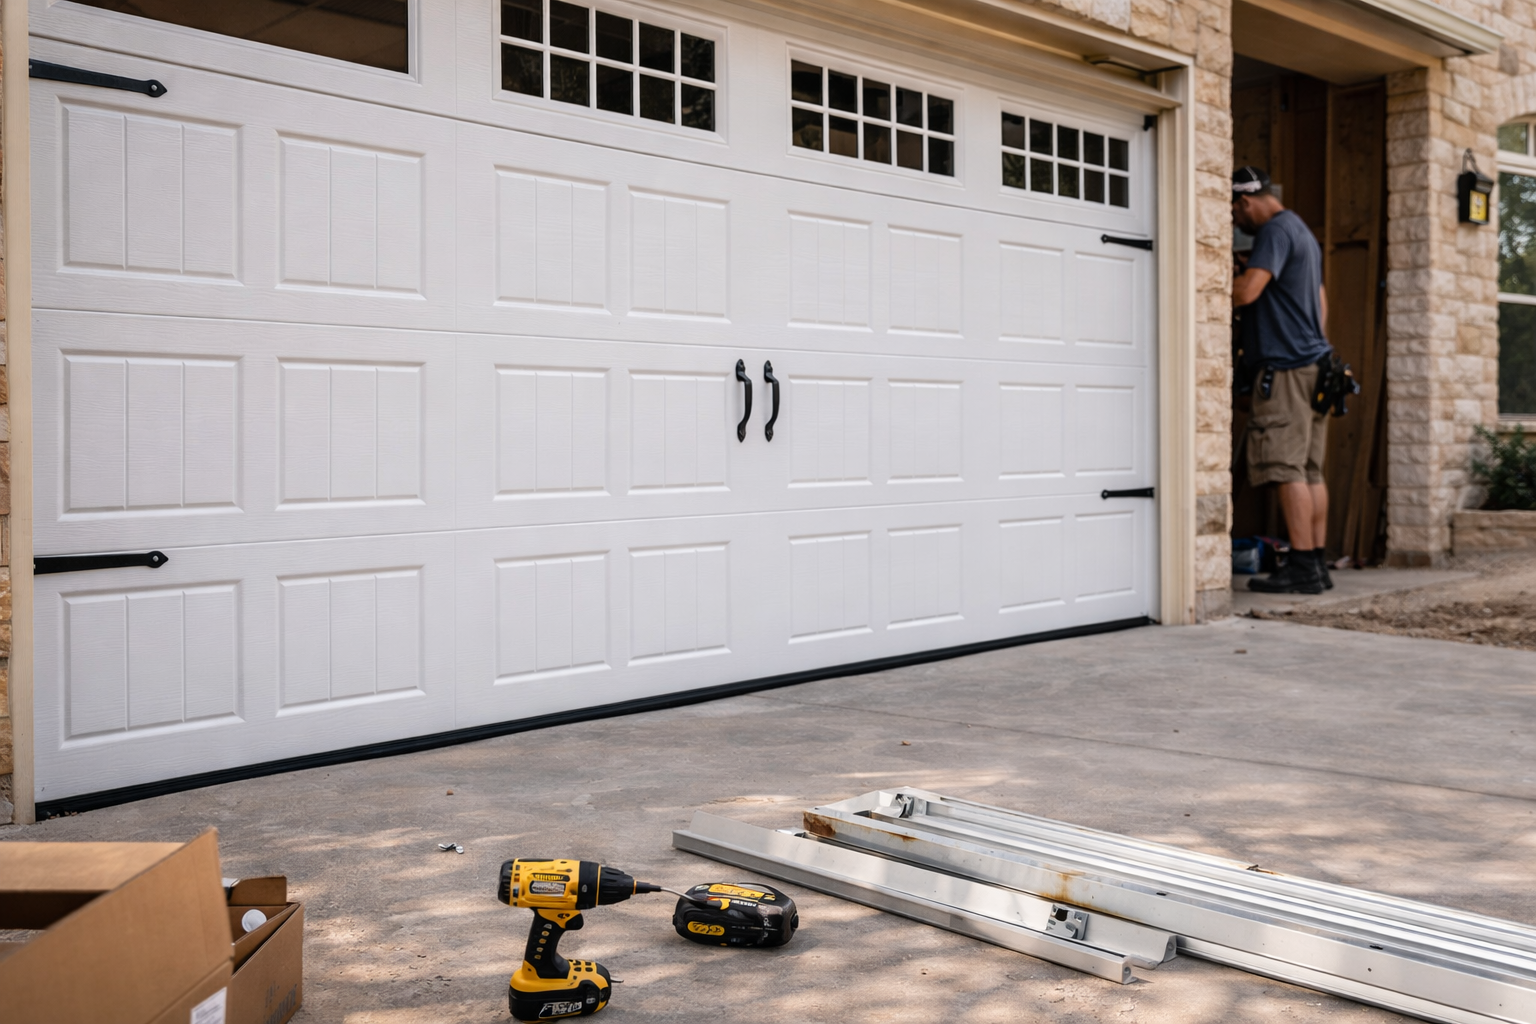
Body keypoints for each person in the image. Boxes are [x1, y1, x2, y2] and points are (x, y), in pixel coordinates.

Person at [1231, 166, 1333, 594]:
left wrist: (1219, 279)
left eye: (1235, 213)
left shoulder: (1273, 231)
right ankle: (1317, 564)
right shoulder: (1301, 231)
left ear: (1245, 201)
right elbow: (1321, 303)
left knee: (1285, 468)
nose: (1237, 222)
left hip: (1287, 370)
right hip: (1314, 365)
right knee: (1310, 470)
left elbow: (1246, 293)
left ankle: (1302, 569)